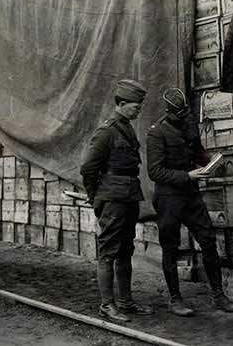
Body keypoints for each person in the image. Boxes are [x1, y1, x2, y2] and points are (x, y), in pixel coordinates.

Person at [146, 87, 233, 316]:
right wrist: (187, 175)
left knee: (208, 241)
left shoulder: (189, 124)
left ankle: (218, 295)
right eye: (179, 112)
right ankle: (175, 299)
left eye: (186, 111)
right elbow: (155, 172)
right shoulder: (157, 133)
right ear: (169, 111)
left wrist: (211, 163)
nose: (184, 115)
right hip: (169, 198)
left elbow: (198, 153)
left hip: (191, 195)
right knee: (170, 246)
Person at [80, 79, 153, 322]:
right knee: (108, 253)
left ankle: (125, 301)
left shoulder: (126, 127)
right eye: (135, 106)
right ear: (121, 104)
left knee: (125, 250)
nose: (139, 110)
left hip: (129, 195)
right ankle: (107, 305)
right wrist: (96, 199)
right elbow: (88, 169)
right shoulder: (107, 131)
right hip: (112, 199)